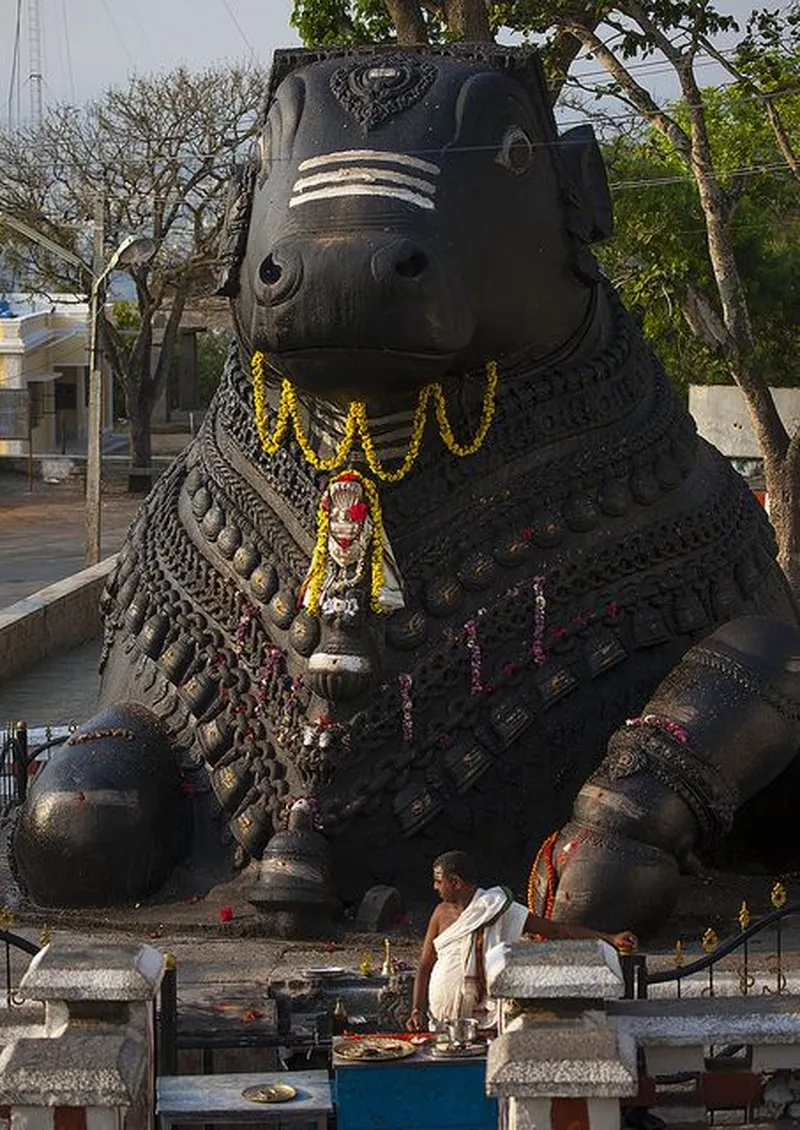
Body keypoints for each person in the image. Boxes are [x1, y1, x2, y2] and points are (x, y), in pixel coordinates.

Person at [406, 850, 638, 1031]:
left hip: (483, 1021)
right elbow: (425, 965)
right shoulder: (439, 913)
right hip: (440, 1021)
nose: (435, 887)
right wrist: (417, 1010)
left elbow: (555, 930)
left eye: (439, 881)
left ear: (455, 882)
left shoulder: (498, 908)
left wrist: (609, 938)